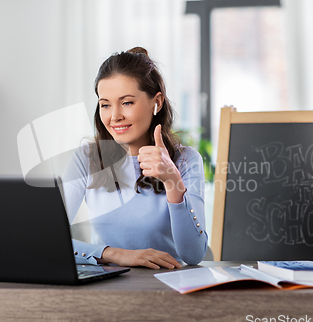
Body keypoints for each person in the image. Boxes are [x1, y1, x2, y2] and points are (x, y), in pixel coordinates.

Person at [61, 47, 208, 269]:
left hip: (168, 286)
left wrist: (173, 183)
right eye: (105, 105)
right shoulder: (86, 158)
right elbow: (48, 239)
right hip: (106, 287)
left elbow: (193, 254)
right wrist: (115, 254)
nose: (114, 116)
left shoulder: (186, 160)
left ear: (156, 102)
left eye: (127, 102)